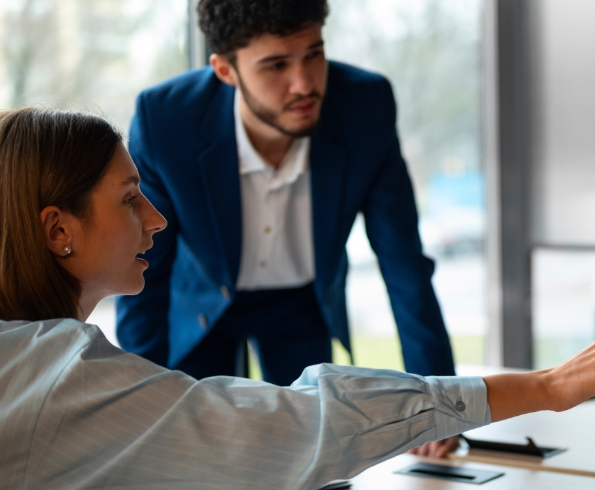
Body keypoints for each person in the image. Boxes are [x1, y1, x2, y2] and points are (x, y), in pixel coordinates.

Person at [0, 108, 595, 489]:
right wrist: (547, 387)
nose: (156, 219)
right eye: (130, 198)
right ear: (58, 231)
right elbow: (294, 427)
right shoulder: (52, 376)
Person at [116, 0, 454, 386]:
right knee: (197, 437)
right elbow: (145, 268)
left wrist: (440, 399)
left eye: (314, 54)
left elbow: (404, 263)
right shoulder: (165, 119)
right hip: (202, 304)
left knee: (309, 437)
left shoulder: (366, 107)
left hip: (302, 303)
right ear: (226, 70)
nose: (306, 84)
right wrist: (139, 396)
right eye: (276, 65)